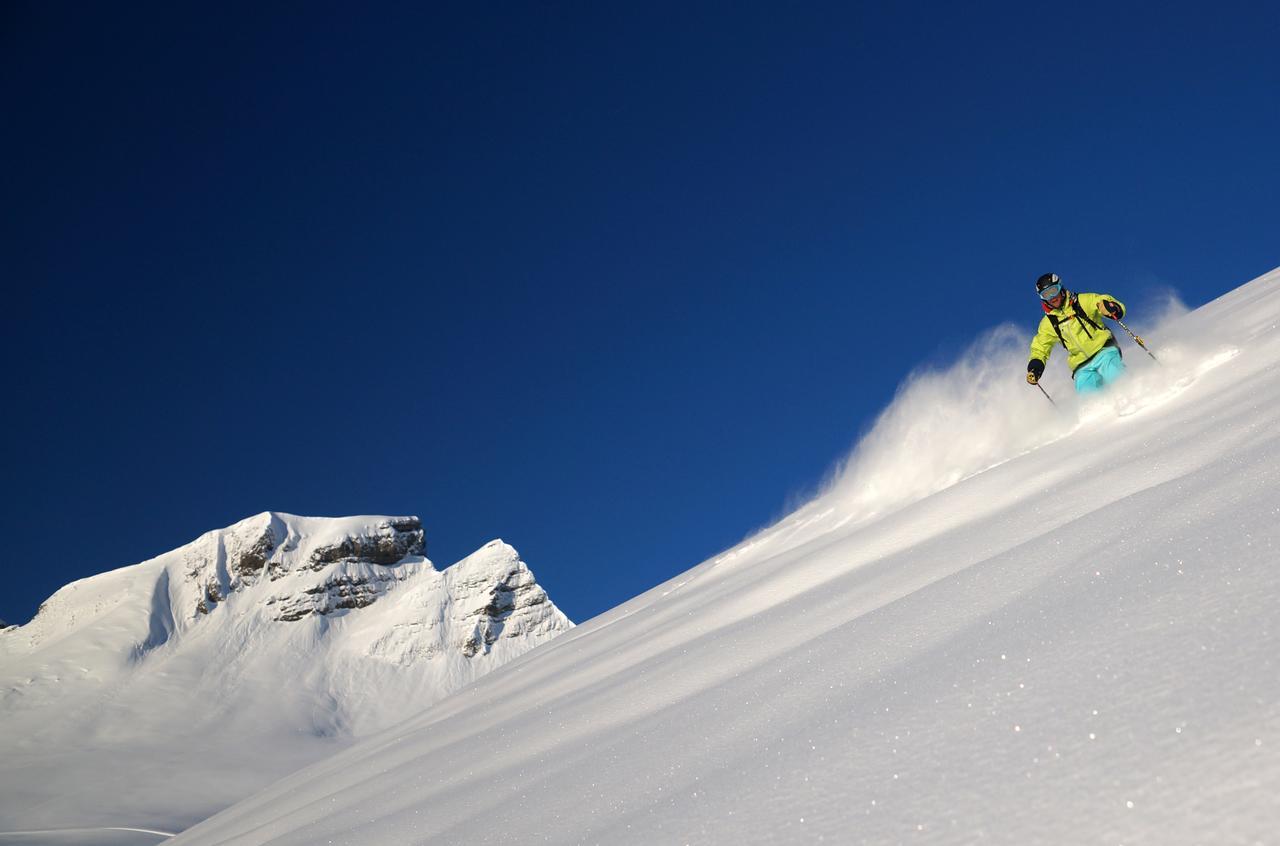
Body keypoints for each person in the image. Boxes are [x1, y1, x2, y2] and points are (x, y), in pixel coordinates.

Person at [1026, 273, 1127, 394]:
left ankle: (1129, 393)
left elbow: (1099, 300)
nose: (1052, 297)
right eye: (1046, 294)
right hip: (1081, 366)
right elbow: (1040, 346)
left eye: (1053, 290)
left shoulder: (1082, 301)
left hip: (1103, 351)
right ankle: (1099, 410)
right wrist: (1035, 367)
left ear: (1060, 287)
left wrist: (1109, 306)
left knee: (1113, 373)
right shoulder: (1048, 323)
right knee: (1087, 392)